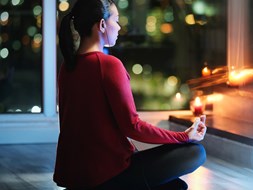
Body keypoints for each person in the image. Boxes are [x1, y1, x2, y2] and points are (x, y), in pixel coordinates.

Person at [53, 0, 207, 189]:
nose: (119, 27)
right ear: (102, 25)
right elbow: (132, 127)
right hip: (106, 175)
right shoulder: (108, 65)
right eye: (116, 20)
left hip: (76, 176)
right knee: (195, 152)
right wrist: (184, 136)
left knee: (174, 186)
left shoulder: (67, 67)